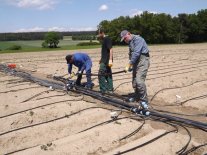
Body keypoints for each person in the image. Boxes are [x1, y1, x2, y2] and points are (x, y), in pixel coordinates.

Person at [120, 30, 150, 106]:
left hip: (143, 61)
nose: (125, 40)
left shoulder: (138, 39)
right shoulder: (130, 43)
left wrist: (129, 64)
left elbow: (136, 53)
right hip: (136, 62)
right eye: (124, 40)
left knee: (139, 81)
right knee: (134, 81)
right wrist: (131, 65)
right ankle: (137, 97)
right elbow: (131, 55)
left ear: (129, 34)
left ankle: (144, 100)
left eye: (125, 38)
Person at [97, 29, 114, 93]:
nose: (98, 36)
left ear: (102, 33)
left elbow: (111, 49)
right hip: (104, 60)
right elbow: (105, 52)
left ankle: (103, 90)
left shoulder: (107, 39)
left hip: (106, 61)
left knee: (100, 75)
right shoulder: (104, 40)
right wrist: (101, 59)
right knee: (108, 74)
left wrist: (110, 60)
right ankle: (110, 89)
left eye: (99, 34)